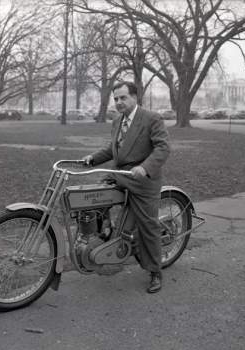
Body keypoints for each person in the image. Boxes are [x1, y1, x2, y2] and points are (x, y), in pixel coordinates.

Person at [82, 81, 170, 293]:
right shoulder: (117, 121)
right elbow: (114, 150)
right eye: (116, 99)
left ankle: (154, 271)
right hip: (120, 176)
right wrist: (92, 159)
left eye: (123, 98)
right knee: (91, 199)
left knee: (148, 225)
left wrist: (145, 167)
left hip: (143, 180)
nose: (119, 102)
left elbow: (163, 147)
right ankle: (106, 238)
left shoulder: (151, 118)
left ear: (134, 97)